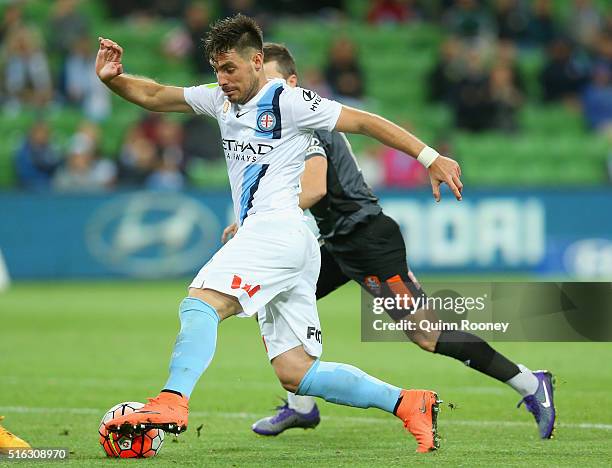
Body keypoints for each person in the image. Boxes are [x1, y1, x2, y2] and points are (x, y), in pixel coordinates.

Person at [96, 14, 463, 453]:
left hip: (277, 230)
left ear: (256, 61)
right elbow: (155, 94)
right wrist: (112, 79)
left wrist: (430, 156)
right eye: (216, 69)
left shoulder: (287, 100)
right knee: (297, 371)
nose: (222, 78)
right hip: (293, 244)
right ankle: (408, 403)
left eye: (230, 68)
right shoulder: (219, 100)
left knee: (200, 302)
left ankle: (173, 400)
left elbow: (364, 122)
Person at [221, 43, 556, 440]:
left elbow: (311, 188)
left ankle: (531, 384)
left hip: (368, 242)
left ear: (292, 83)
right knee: (269, 297)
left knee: (427, 334)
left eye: (272, 82)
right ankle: (302, 406)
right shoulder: (277, 126)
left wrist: (257, 219)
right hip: (336, 244)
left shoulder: (309, 125)